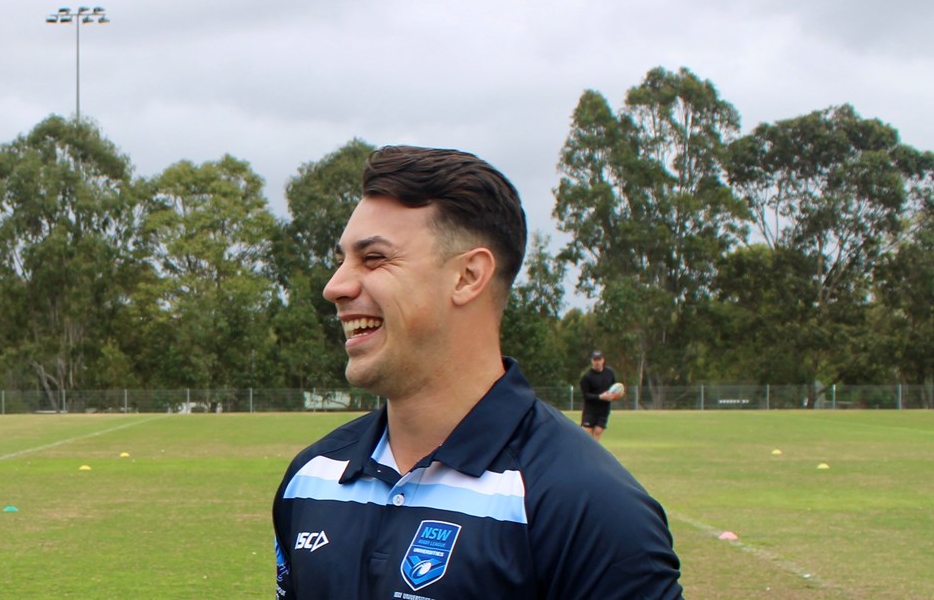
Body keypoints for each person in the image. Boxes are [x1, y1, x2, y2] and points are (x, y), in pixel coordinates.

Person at [271, 146, 681, 599]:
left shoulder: (590, 505)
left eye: (373, 259)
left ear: (468, 276)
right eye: (343, 259)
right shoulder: (311, 478)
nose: (335, 286)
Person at [580, 350, 620, 441]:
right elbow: (586, 395)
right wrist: (600, 397)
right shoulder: (587, 377)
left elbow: (615, 388)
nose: (597, 362)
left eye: (599, 359)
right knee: (585, 433)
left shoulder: (610, 372)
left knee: (598, 432)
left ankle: (593, 454)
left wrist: (615, 396)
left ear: (603, 360)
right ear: (592, 361)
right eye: (595, 360)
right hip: (590, 410)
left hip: (604, 410)